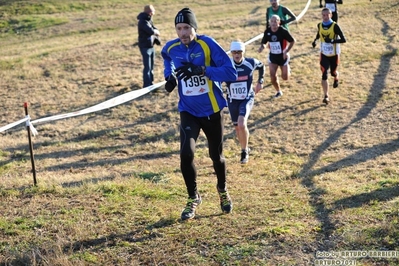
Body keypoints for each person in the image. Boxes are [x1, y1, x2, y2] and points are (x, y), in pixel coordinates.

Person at [161, 8, 238, 221]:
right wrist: (169, 77)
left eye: (187, 27)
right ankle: (193, 197)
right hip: (188, 111)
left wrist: (203, 71)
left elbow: (230, 72)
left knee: (216, 156)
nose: (183, 32)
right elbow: (165, 57)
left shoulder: (208, 44)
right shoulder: (172, 47)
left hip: (212, 110)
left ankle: (222, 190)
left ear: (194, 27)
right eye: (179, 28)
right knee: (186, 154)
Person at [225, 41, 265, 164]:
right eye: (234, 52)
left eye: (239, 52)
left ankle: (244, 151)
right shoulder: (227, 65)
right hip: (232, 100)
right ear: (231, 53)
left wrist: (260, 81)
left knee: (242, 124)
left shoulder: (250, 63)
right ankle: (245, 147)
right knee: (237, 128)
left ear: (243, 52)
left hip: (247, 98)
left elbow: (261, 65)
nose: (237, 55)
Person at [311, 8, 346, 105]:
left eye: (327, 15)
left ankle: (336, 76)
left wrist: (332, 41)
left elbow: (344, 39)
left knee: (333, 72)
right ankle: (326, 96)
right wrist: (315, 41)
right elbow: (319, 34)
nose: (325, 17)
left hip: (334, 54)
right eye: (323, 15)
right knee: (324, 74)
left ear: (330, 15)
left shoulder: (335, 26)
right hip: (324, 54)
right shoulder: (320, 25)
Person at [258, 15, 295, 99]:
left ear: (279, 22)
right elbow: (264, 42)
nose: (274, 23)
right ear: (269, 23)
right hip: (273, 57)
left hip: (283, 56)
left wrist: (286, 51)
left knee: (285, 78)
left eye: (275, 21)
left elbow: (292, 41)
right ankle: (278, 91)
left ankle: (287, 68)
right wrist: (262, 47)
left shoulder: (283, 31)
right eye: (272, 21)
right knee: (272, 75)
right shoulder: (267, 31)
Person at [137, 5, 161, 88]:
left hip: (150, 46)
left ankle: (151, 83)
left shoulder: (148, 20)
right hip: (145, 47)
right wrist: (156, 32)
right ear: (150, 12)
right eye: (153, 11)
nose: (154, 12)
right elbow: (151, 31)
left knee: (151, 66)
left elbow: (154, 28)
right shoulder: (143, 21)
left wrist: (156, 31)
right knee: (147, 67)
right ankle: (147, 85)